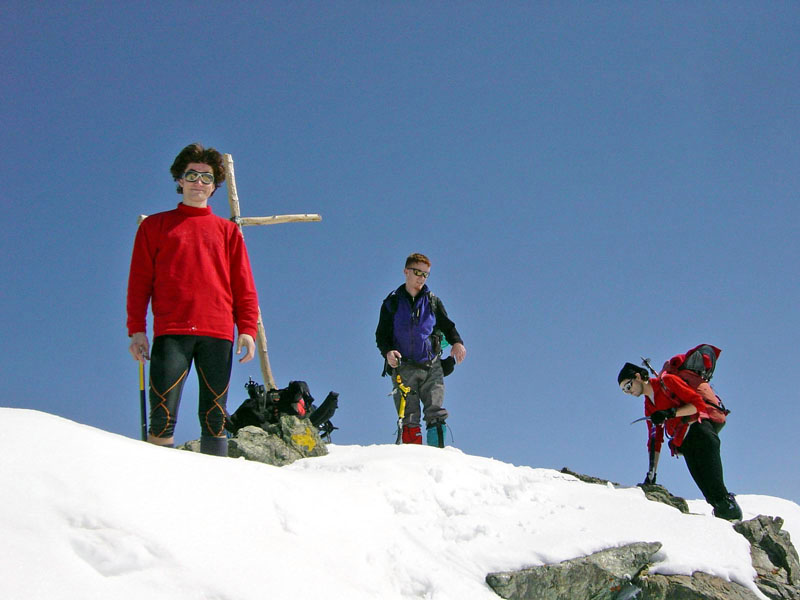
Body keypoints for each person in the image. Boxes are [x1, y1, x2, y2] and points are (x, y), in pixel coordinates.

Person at [126, 143, 259, 456]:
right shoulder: (154, 226)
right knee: (162, 415)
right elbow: (139, 282)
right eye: (192, 175)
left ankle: (216, 487)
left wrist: (248, 330)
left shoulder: (227, 232)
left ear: (214, 186)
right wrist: (136, 329)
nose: (199, 182)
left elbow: (244, 285)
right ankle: (157, 483)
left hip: (218, 333)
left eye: (207, 178)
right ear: (179, 180)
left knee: (215, 417)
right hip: (172, 331)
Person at [617, 362, 742, 520]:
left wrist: (670, 413)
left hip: (701, 431)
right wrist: (651, 473)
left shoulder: (667, 381)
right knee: (710, 495)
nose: (628, 392)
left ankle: (735, 520)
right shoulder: (649, 405)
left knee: (718, 490)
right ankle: (728, 524)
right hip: (685, 443)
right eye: (623, 391)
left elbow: (697, 404)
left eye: (628, 386)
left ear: (638, 377)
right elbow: (655, 439)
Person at [375, 253, 466, 447]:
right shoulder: (392, 303)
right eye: (417, 272)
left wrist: (457, 342)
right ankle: (412, 462)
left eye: (426, 274)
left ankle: (438, 455)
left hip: (431, 366)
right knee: (409, 417)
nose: (421, 278)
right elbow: (381, 335)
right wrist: (388, 352)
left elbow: (448, 326)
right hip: (403, 368)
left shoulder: (432, 301)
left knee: (436, 412)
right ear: (406, 272)